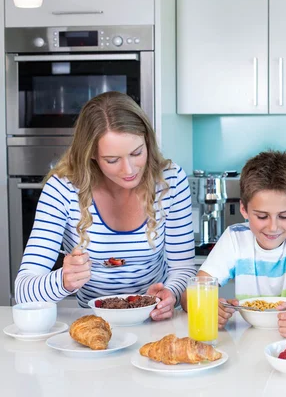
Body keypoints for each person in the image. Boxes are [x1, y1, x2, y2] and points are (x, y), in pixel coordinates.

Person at [14, 91, 197, 321]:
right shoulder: (62, 190)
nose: (129, 170)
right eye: (112, 160)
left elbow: (183, 269)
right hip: (91, 323)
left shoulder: (170, 181)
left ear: (147, 141)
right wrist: (63, 280)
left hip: (154, 322)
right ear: (91, 155)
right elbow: (23, 291)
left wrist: (169, 294)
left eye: (137, 153)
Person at [181, 150, 286, 338]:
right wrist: (206, 306)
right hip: (249, 339)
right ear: (244, 210)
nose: (273, 227)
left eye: (284, 216)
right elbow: (188, 296)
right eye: (262, 216)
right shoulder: (236, 237)